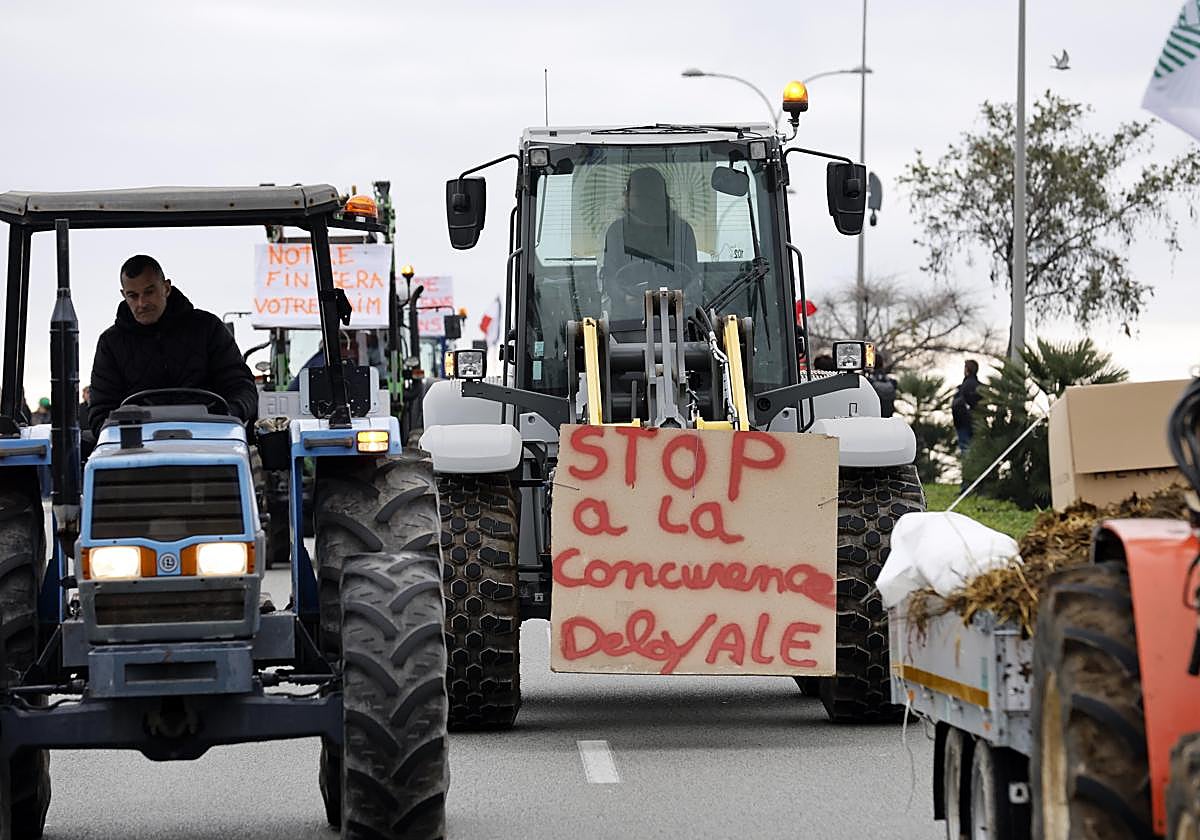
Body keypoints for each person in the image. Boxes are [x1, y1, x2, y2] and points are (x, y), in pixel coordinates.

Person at [88, 255, 257, 436]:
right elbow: (101, 411)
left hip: (209, 436)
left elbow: (240, 386)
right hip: (137, 444)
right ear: (124, 295)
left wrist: (227, 415)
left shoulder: (207, 328)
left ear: (166, 288)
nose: (142, 303)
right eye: (133, 296)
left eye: (149, 292)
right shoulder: (111, 343)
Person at [598, 168, 700, 318]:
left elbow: (695, 278)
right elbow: (610, 278)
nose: (625, 196)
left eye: (630, 193)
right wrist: (625, 297)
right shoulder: (616, 232)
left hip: (679, 320)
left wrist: (684, 296)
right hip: (625, 322)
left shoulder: (682, 231)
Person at [951, 359, 982, 454]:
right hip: (977, 422)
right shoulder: (980, 386)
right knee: (976, 449)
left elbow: (961, 403)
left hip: (964, 423)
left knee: (965, 449)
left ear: (967, 370)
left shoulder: (965, 386)